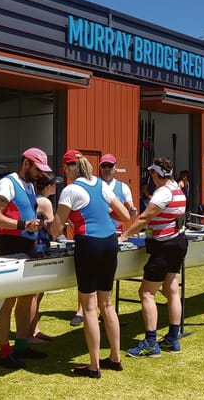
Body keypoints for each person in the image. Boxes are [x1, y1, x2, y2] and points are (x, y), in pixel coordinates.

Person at [49, 149, 129, 378]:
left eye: (64, 168)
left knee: (90, 307)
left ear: (69, 168)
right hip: (109, 243)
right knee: (107, 305)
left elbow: (56, 229)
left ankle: (94, 366)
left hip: (89, 245)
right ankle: (115, 358)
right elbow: (124, 215)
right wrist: (103, 216)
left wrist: (49, 222)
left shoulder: (70, 190)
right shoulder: (102, 184)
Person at [0, 147, 52, 369]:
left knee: (27, 296)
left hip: (28, 245)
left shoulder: (30, 185)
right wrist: (23, 225)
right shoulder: (7, 183)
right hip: (10, 246)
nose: (40, 174)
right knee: (8, 300)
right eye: (37, 168)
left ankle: (22, 345)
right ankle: (5, 352)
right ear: (26, 163)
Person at [119, 157, 188, 357]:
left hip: (164, 247)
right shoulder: (178, 190)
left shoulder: (163, 192)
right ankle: (172, 339)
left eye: (152, 174)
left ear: (157, 174)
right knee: (172, 290)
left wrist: (125, 236)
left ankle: (150, 342)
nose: (151, 178)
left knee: (146, 293)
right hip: (178, 243)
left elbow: (144, 217)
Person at [70, 153, 138, 328]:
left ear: (115, 168)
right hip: (93, 235)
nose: (107, 169)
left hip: (112, 234)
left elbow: (128, 210)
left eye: (110, 166)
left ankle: (102, 311)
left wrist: (130, 209)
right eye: (104, 166)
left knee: (102, 283)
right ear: (99, 168)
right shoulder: (92, 183)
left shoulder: (122, 187)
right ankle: (81, 310)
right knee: (88, 280)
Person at [27, 175, 58, 345]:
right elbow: (54, 230)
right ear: (49, 186)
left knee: (34, 294)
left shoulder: (35, 199)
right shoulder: (45, 202)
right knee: (35, 294)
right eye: (54, 185)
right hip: (39, 248)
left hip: (35, 247)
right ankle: (30, 333)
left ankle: (33, 329)